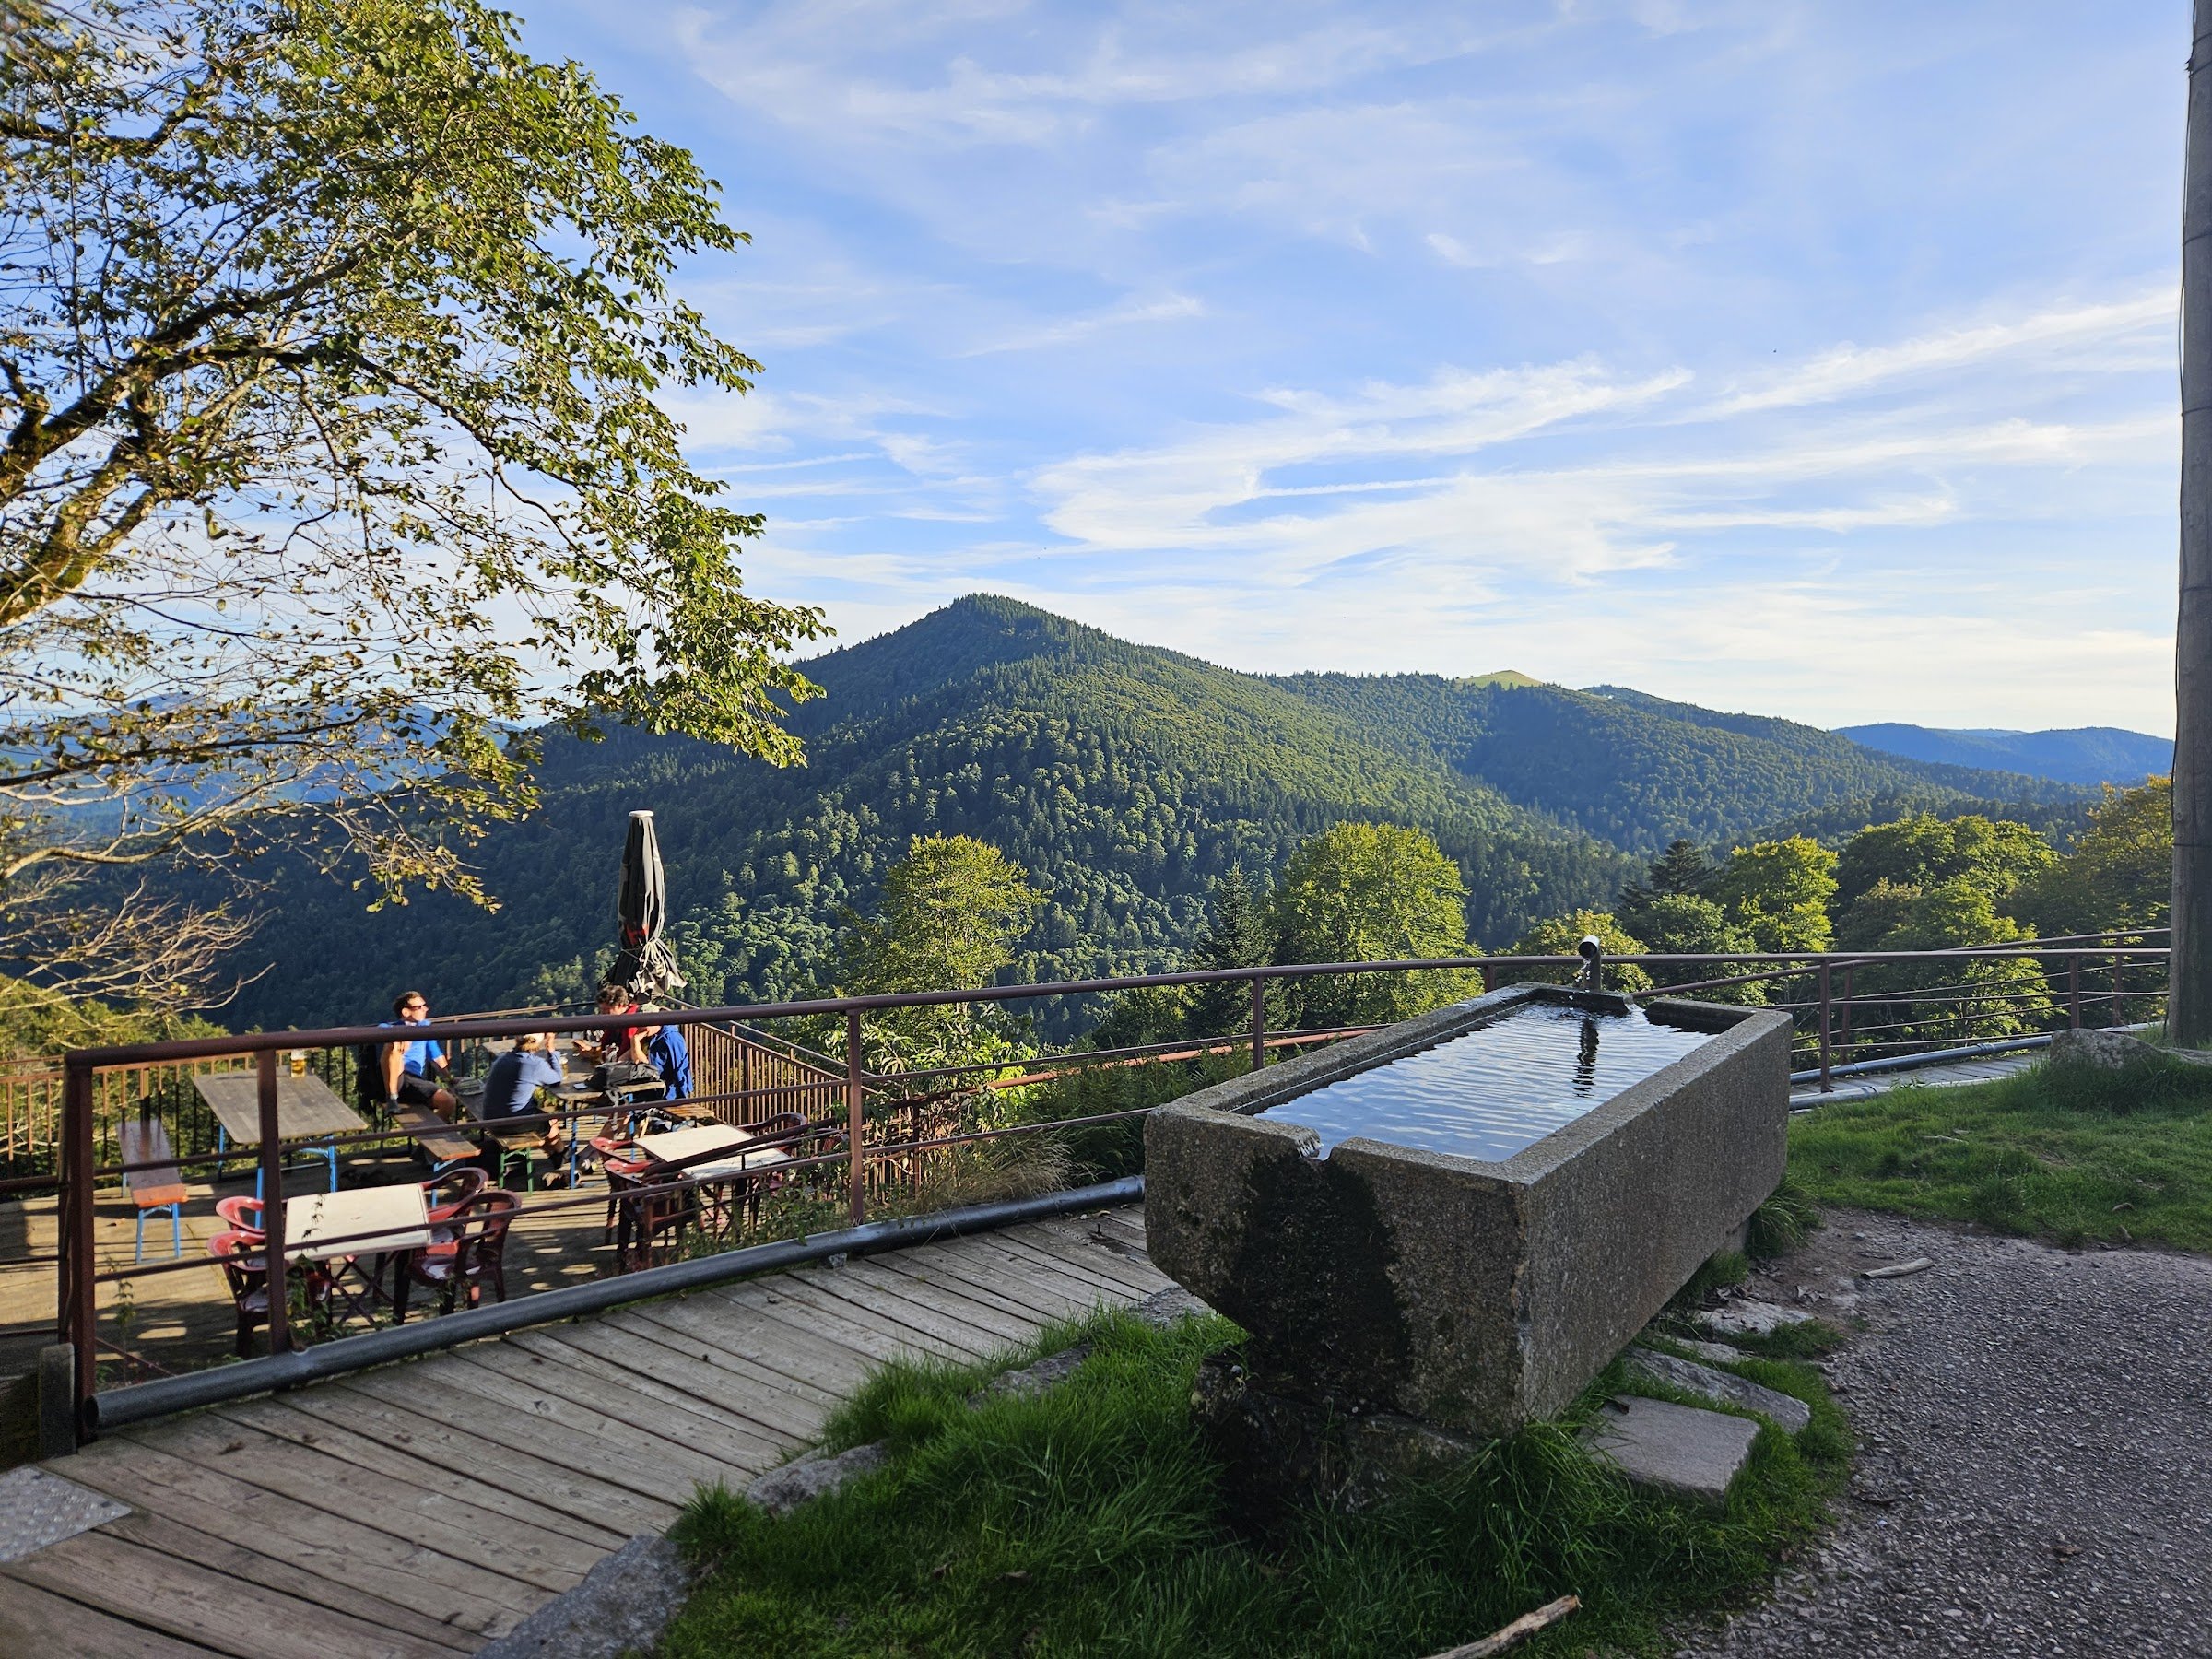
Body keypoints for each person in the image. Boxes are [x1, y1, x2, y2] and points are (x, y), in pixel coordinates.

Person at [381, 991, 457, 1118]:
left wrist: (450, 1079)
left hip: (412, 1081)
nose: (425, 1009)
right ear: (406, 1012)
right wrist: (400, 1038)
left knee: (448, 1101)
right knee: (393, 1047)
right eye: (420, 1007)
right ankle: (392, 1097)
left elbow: (436, 1056)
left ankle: (431, 1134)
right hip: (389, 1079)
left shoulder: (424, 1029)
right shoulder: (387, 1029)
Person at [593, 982, 658, 1065]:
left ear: (620, 1005)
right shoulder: (615, 1019)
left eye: (606, 1010)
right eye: (601, 1010)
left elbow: (626, 1049)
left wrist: (598, 1054)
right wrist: (593, 1050)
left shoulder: (630, 1020)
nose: (603, 1014)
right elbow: (605, 1041)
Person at [640, 1005, 691, 1100]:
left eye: (643, 1024)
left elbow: (679, 1069)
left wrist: (683, 1098)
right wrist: (635, 1040)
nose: (640, 1028)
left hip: (667, 1094)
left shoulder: (672, 1039)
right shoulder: (651, 1037)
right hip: (653, 1088)